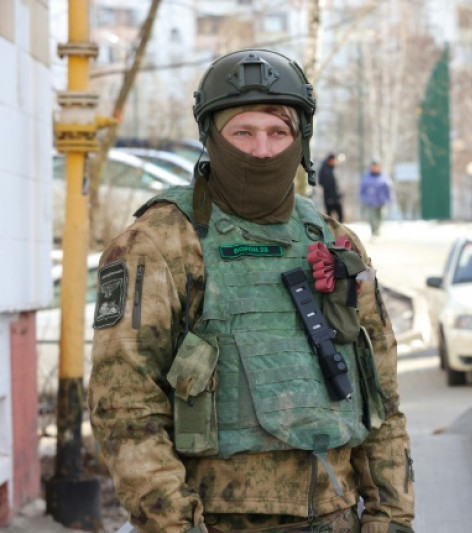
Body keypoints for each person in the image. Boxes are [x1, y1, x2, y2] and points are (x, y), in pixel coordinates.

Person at [87, 49, 415, 533]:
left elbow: (382, 402)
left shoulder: (335, 243)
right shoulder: (158, 244)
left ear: (300, 140)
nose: (262, 151)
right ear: (211, 138)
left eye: (278, 132)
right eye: (243, 132)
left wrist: (392, 519)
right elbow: (124, 408)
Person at [359, 159, 393, 237]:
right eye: (373, 166)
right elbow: (362, 188)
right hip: (370, 201)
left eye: (376, 166)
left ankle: (378, 230)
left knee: (380, 217)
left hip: (381, 201)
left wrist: (390, 198)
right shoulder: (366, 177)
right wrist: (362, 197)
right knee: (372, 217)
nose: (375, 168)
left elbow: (388, 189)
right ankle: (374, 232)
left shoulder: (384, 177)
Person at [317, 152, 343, 221]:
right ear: (330, 160)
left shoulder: (330, 169)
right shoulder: (325, 170)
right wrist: (330, 196)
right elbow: (322, 182)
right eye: (334, 161)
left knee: (338, 215)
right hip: (329, 197)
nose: (335, 162)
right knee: (329, 216)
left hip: (334, 197)